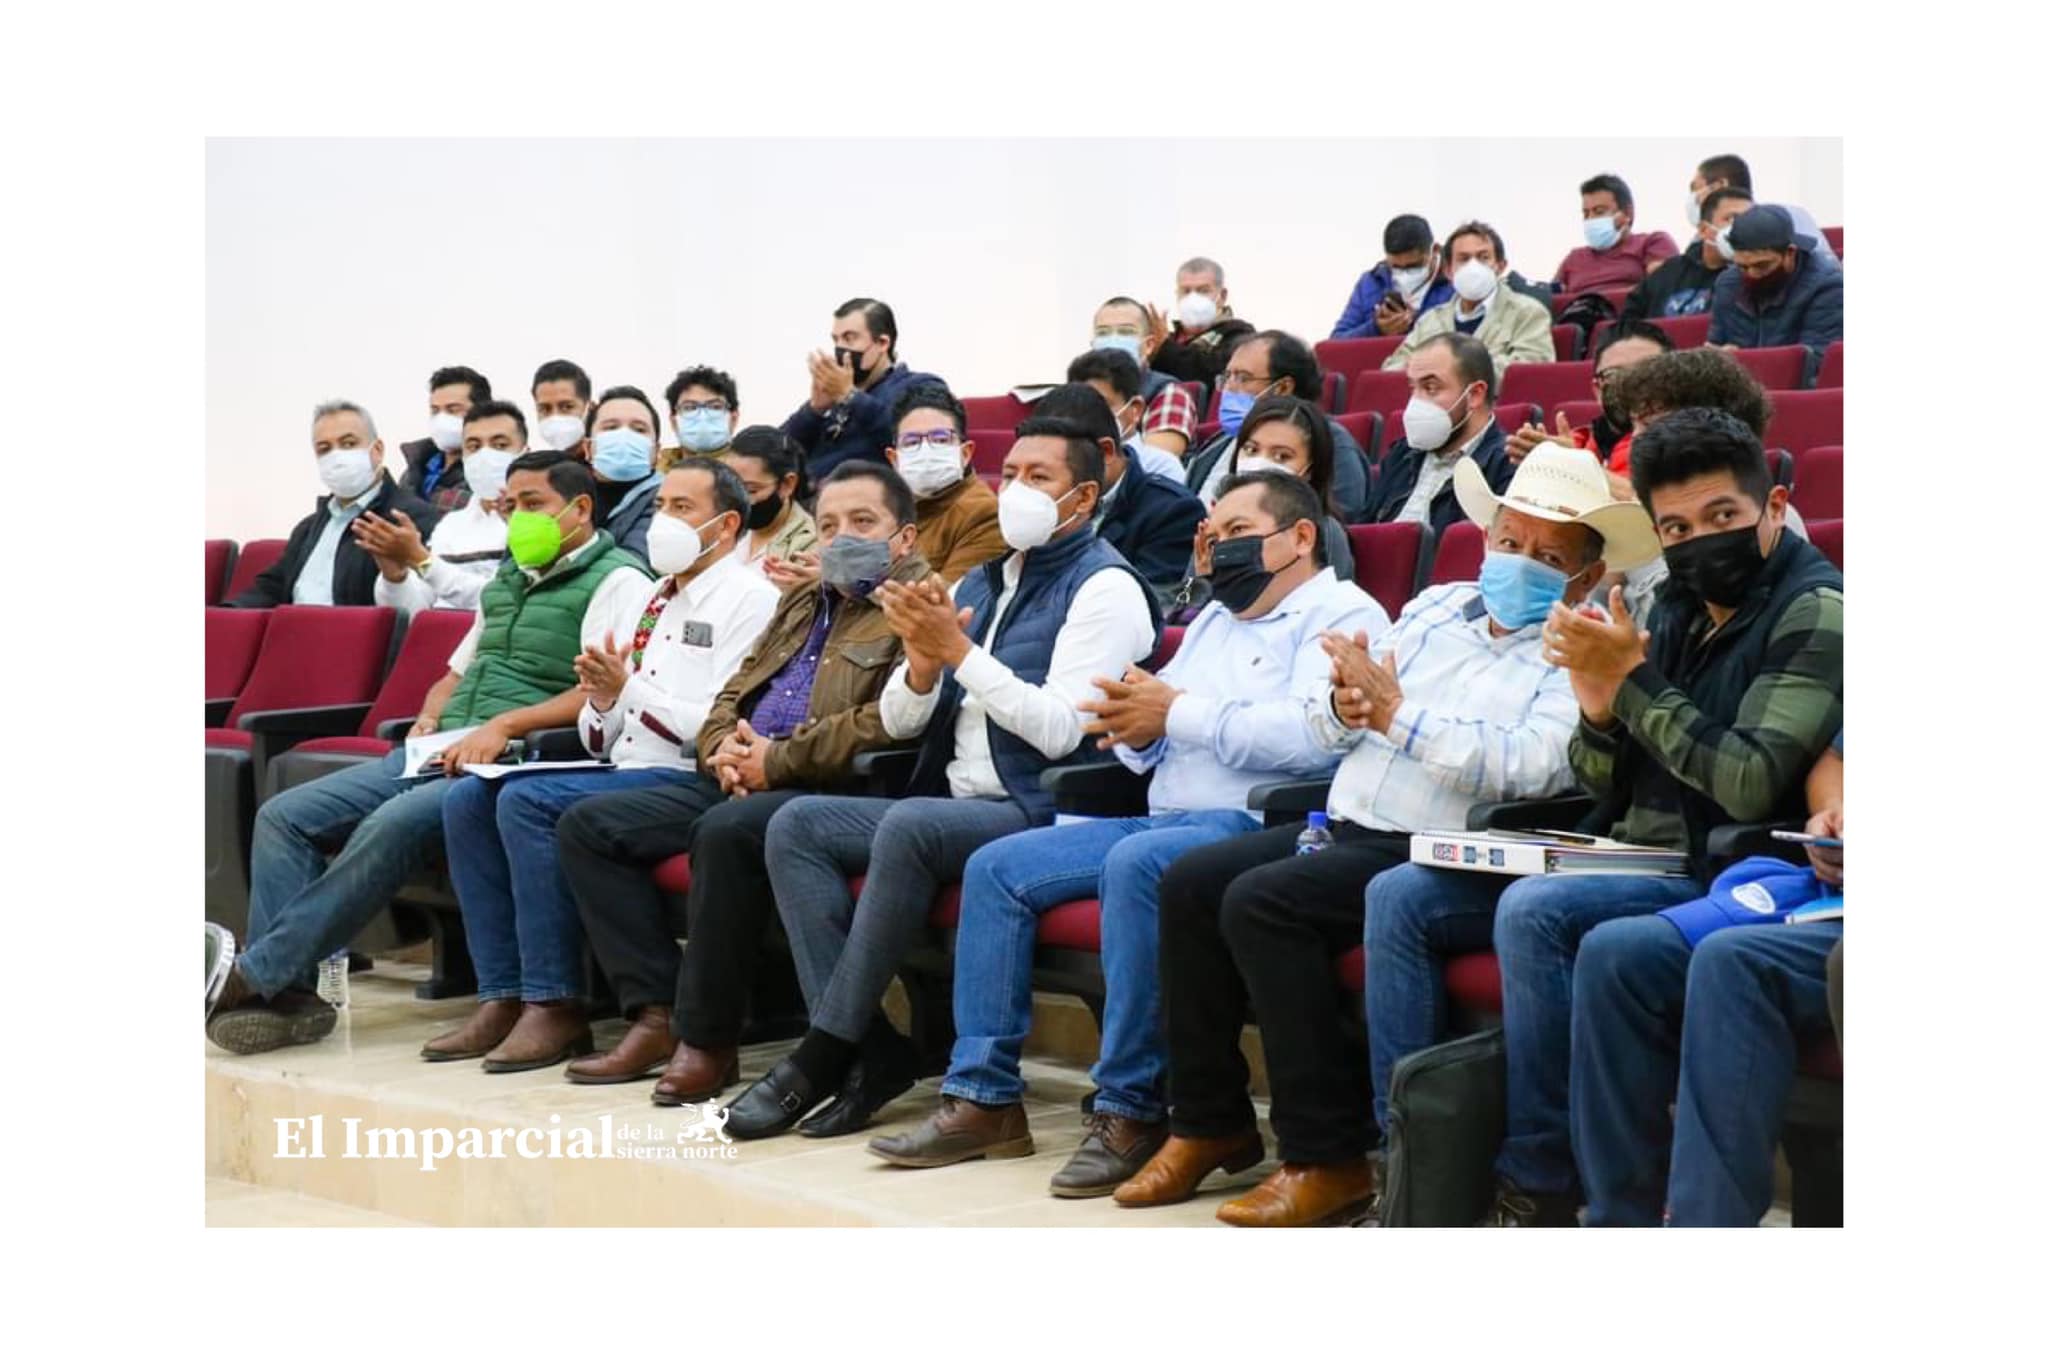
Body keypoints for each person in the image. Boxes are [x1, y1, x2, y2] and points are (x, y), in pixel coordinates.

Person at [1116, 445, 1658, 1227]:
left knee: (1266, 902)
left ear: (1584, 575)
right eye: (1510, 541)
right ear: (1487, 537)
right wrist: (1346, 706)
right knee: (1192, 881)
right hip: (1345, 821)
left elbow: (1527, 765)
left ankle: (1327, 1154)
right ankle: (1207, 1121)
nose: (1519, 562)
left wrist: (1396, 717)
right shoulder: (1437, 605)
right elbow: (1340, 719)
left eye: (1548, 556)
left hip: (1443, 844)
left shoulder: (1582, 646)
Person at [1362, 407, 1843, 1226]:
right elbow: (1601, 783)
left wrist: (1634, 685)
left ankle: (1541, 1179)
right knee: (1400, 892)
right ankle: (1409, 1168)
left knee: (1537, 911)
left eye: (1722, 516)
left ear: (1774, 506)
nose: (1700, 541)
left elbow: (1747, 784)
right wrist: (1598, 712)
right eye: (1676, 528)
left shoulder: (1817, 609)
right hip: (1633, 848)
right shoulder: (1678, 604)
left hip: (1725, 864)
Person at [867, 471, 1389, 1191]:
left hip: (1266, 822)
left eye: (1239, 532)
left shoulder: (1343, 614)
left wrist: (1175, 713)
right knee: (998, 867)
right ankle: (982, 1099)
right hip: (1166, 813)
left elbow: (1314, 740)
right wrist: (1136, 727)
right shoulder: (1215, 617)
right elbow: (1157, 729)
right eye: (1213, 534)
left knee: (1137, 864)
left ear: (1301, 536)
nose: (1220, 548)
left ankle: (1130, 1107)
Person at [721, 416, 1162, 1141]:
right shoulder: (982, 580)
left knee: (911, 823)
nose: (1016, 489)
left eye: (1039, 477)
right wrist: (923, 668)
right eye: (1010, 474)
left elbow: (1061, 731)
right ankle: (870, 1047)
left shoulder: (1104, 587)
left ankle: (823, 1052)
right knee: (796, 824)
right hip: (955, 796)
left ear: (1084, 497)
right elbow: (902, 718)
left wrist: (959, 653)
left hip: (1040, 805)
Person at [205, 452, 654, 1055]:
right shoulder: (509, 580)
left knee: (388, 825)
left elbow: (600, 690)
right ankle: (288, 996)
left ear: (579, 509)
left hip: (512, 758)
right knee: (285, 815)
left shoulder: (619, 581)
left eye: (534, 505)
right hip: (440, 746)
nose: (518, 518)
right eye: (511, 506)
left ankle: (255, 977)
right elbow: (456, 673)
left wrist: (503, 726)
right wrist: (431, 714)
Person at [559, 462, 937, 1100]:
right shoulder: (803, 598)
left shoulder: (919, 605)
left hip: (832, 787)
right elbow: (733, 692)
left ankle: (707, 1041)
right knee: (588, 826)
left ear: (903, 537)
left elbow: (883, 724)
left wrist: (776, 759)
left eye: (863, 522)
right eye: (828, 526)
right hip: (746, 773)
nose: (842, 537)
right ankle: (655, 1011)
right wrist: (721, 750)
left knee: (726, 831)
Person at [425, 458, 779, 1072]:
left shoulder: (751, 600)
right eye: (661, 506)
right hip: (628, 768)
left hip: (698, 777)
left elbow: (717, 726)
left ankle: (566, 1003)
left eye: (682, 508)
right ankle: (504, 993)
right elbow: (602, 735)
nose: (664, 521)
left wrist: (628, 691)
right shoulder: (656, 597)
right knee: (469, 799)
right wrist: (606, 699)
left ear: (725, 526)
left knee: (531, 804)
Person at [1571, 733, 1844, 1227]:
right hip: (1829, 897)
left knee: (1732, 961)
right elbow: (1834, 763)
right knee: (1616, 955)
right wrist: (1834, 815)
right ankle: (1619, 1222)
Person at [227, 399, 443, 609]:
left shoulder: (414, 519)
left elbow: (422, 606)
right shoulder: (308, 528)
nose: (336, 456)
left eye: (348, 444)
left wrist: (396, 576)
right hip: (292, 629)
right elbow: (272, 587)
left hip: (353, 632)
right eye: (324, 449)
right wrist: (223, 617)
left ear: (377, 450)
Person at [1168, 395, 1355, 604]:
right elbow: (1184, 605)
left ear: (1310, 471)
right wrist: (1202, 580)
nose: (1259, 463)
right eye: (1251, 450)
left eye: (1282, 456)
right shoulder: (1215, 529)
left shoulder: (1325, 532)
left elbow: (1329, 610)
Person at [1033, 380, 1203, 596]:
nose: (1043, 479)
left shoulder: (1173, 512)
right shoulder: (1040, 499)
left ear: (1105, 451)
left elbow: (1154, 602)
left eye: (1061, 462)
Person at [1182, 330, 1370, 520]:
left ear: (1282, 388)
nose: (1228, 388)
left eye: (1243, 378)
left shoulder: (1329, 441)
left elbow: (1339, 519)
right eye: (1227, 377)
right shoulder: (1217, 444)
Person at [359, 400, 522, 613]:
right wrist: (395, 577)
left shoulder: (541, 520)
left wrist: (423, 561)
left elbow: (502, 598)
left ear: (524, 452)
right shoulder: (450, 525)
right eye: (474, 447)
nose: (485, 456)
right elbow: (415, 611)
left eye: (500, 445)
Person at [1358, 333, 1513, 532]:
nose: (1416, 402)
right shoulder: (1401, 454)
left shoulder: (1506, 465)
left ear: (1475, 394)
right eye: (1413, 388)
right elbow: (1362, 531)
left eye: (1430, 388)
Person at [783, 297, 943, 480]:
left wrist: (850, 396)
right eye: (836, 340)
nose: (840, 348)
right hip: (810, 491)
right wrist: (814, 410)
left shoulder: (921, 386)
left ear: (882, 343)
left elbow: (909, 437)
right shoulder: (835, 397)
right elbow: (776, 452)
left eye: (849, 338)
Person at [1384, 223, 1555, 378]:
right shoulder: (1430, 320)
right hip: (1431, 402)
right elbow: (1393, 367)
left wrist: (1448, 374)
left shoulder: (1528, 313)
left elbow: (1530, 370)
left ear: (1500, 266)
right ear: (1448, 270)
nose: (1473, 267)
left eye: (1483, 257)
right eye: (1464, 259)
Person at [1507, 322, 1674, 473]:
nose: (1632, 384)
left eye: (1646, 371)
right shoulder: (1573, 446)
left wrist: (1572, 468)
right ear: (1597, 389)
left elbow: (1644, 496)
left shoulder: (1684, 442)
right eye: (1615, 375)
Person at [883, 384, 1006, 585]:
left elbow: (952, 598)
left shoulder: (984, 514)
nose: (925, 450)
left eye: (940, 439)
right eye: (911, 442)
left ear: (965, 453)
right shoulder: (883, 506)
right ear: (894, 459)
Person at [1708, 205, 1845, 356]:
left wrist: (1741, 359)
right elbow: (1716, 345)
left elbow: (1815, 360)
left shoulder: (1827, 287)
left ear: (1790, 253)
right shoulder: (1728, 284)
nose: (1752, 274)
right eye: (1743, 267)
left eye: (1762, 265)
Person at [1087, 296, 1199, 458]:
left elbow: (1152, 464)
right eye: (1103, 333)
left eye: (1126, 332)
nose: (1113, 339)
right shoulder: (1080, 392)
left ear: (1148, 345)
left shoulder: (1169, 393)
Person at [1621, 187, 1753, 324]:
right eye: (1731, 219)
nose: (1742, 227)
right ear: (1703, 230)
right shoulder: (1668, 272)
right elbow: (1629, 320)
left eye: (1749, 220)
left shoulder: (1755, 277)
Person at [1068, 347, 1195, 485]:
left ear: (1135, 408)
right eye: (1078, 405)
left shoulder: (1157, 466)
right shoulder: (1063, 462)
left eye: (1100, 404)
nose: (1087, 413)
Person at [1688, 154, 1838, 266]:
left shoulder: (1790, 216)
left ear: (1719, 185)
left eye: (1694, 188)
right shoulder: (1705, 234)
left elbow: (1828, 268)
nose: (1692, 197)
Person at [579, 385, 667, 564]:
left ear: (656, 451)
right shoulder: (566, 497)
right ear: (587, 448)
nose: (624, 436)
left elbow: (633, 564)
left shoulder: (668, 501)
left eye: (639, 430)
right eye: (611, 428)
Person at [1330, 214, 1454, 340]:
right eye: (1396, 267)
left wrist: (1415, 326)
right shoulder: (1370, 282)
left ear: (1435, 250)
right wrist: (1376, 328)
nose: (1404, 275)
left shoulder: (1454, 283)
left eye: (1414, 266)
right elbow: (1336, 342)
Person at [1551, 174, 1678, 297]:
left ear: (1627, 213)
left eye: (1599, 211)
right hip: (1579, 311)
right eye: (1586, 214)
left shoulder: (1653, 242)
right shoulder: (1574, 258)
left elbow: (1663, 288)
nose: (1590, 219)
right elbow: (1548, 298)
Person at [722, 424, 818, 585]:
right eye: (730, 488)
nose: (738, 499)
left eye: (750, 490)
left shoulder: (809, 547)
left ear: (787, 484)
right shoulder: (722, 528)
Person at [1147, 257, 1256, 389]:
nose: (1193, 298)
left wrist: (1165, 349)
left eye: (1203, 291)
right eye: (1186, 291)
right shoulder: (1168, 339)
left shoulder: (1241, 335)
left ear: (1222, 296)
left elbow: (1214, 373)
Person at [398, 365, 492, 511]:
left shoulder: (491, 471)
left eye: (453, 410)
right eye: (435, 411)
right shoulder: (416, 468)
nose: (441, 419)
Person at [659, 365, 741, 470]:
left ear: (733, 419)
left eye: (715, 407)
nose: (702, 416)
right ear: (673, 422)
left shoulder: (750, 473)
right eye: (689, 408)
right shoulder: (655, 472)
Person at [532, 359, 594, 452]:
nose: (555, 416)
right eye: (545, 409)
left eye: (567, 407)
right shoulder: (540, 460)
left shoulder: (607, 458)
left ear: (590, 407)